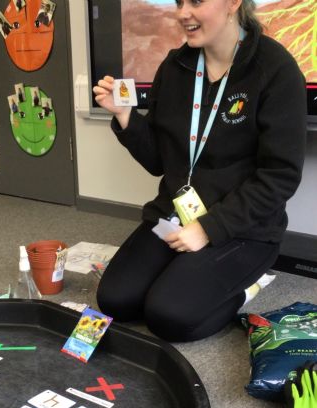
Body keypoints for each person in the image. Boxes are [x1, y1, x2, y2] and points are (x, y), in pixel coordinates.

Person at [93, 0, 307, 342]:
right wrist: (125, 117)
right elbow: (158, 161)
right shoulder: (175, 66)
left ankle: (245, 289)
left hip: (244, 229)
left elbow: (279, 176)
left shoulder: (275, 69)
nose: (182, 13)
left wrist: (208, 229)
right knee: (115, 301)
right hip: (175, 216)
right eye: (179, 2)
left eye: (196, 1)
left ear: (233, 3)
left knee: (169, 316)